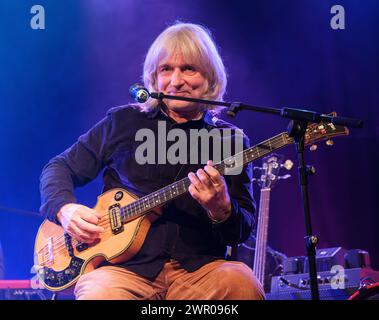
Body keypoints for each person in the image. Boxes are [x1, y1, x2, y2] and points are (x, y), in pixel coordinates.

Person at [40, 22, 265, 300]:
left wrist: (221, 209)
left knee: (242, 284)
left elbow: (241, 229)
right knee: (99, 292)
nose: (176, 81)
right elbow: (59, 168)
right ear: (153, 78)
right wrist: (65, 209)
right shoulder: (124, 122)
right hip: (124, 272)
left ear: (210, 77)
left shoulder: (229, 141)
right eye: (166, 69)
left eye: (189, 69)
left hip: (200, 272)